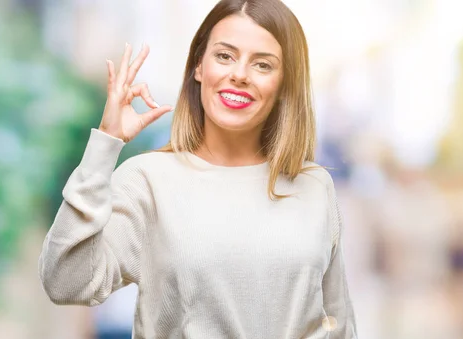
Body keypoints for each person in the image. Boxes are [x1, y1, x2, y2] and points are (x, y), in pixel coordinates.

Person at [38, 0, 359, 338]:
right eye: (225, 56)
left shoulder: (314, 186)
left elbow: (339, 324)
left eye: (262, 65)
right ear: (198, 67)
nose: (239, 74)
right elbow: (65, 282)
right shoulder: (147, 180)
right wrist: (105, 143)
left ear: (284, 86)